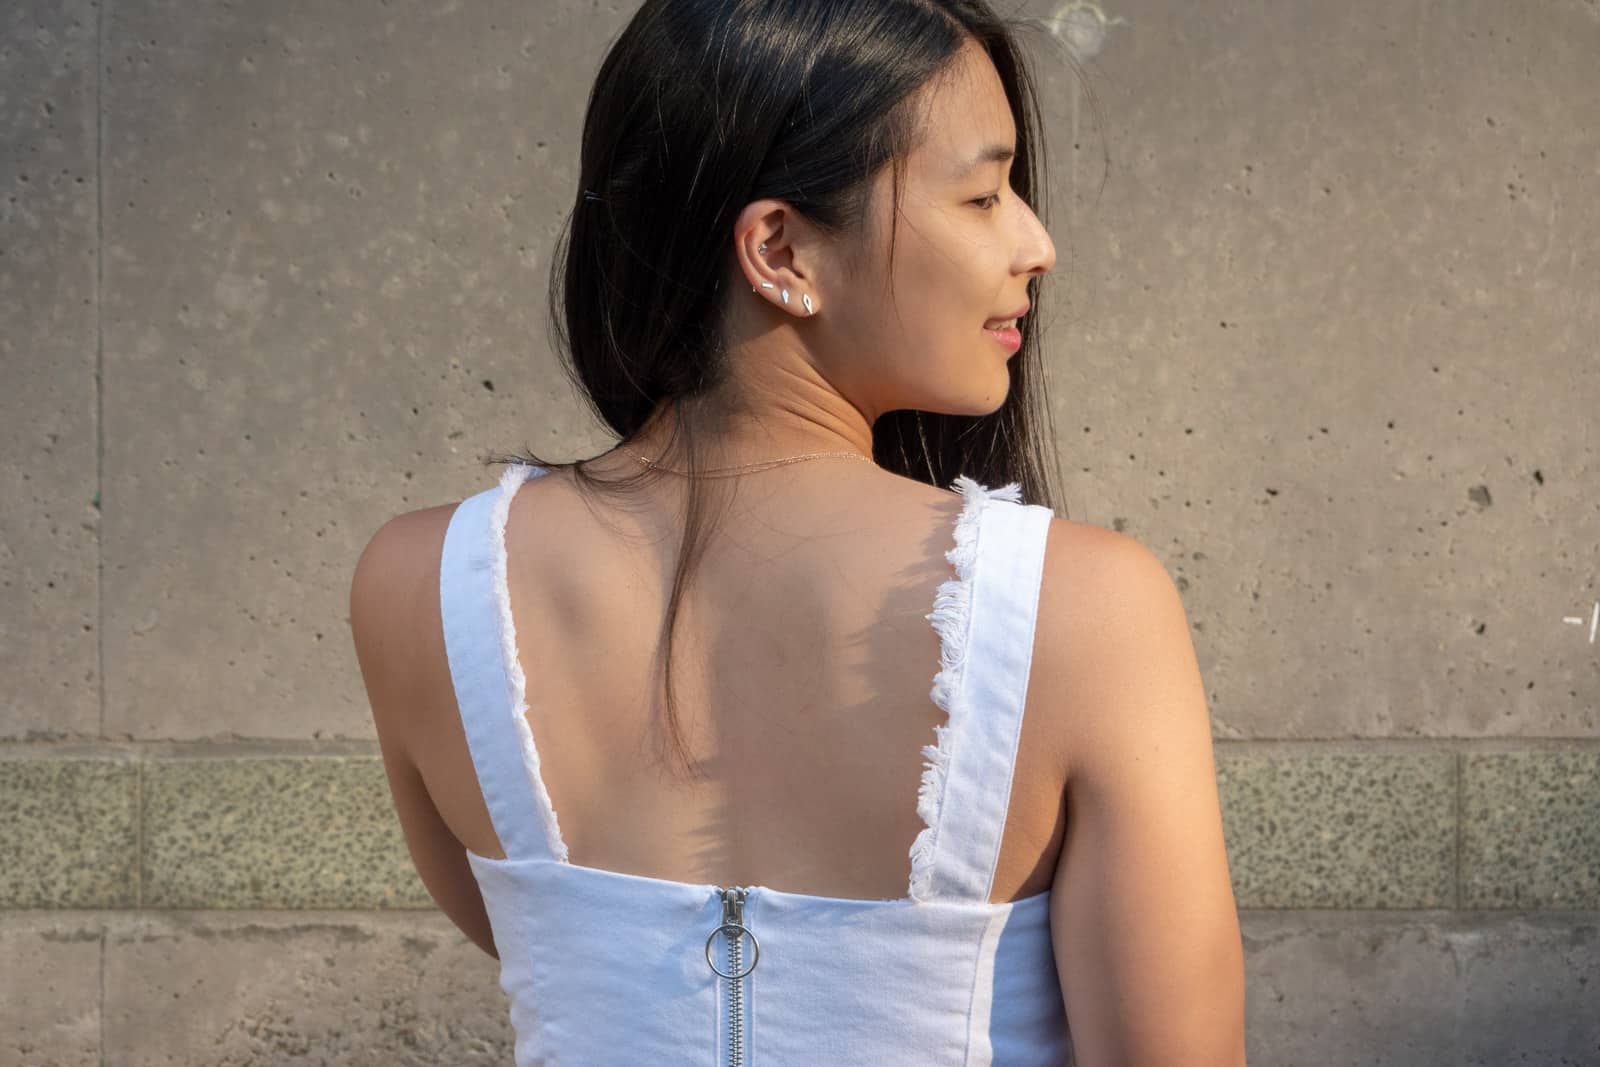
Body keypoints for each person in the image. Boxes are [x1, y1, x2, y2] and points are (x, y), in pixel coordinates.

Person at [349, 1, 1246, 1063]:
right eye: (981, 192)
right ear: (778, 247)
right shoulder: (1084, 607)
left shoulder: (419, 585)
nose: (1035, 244)